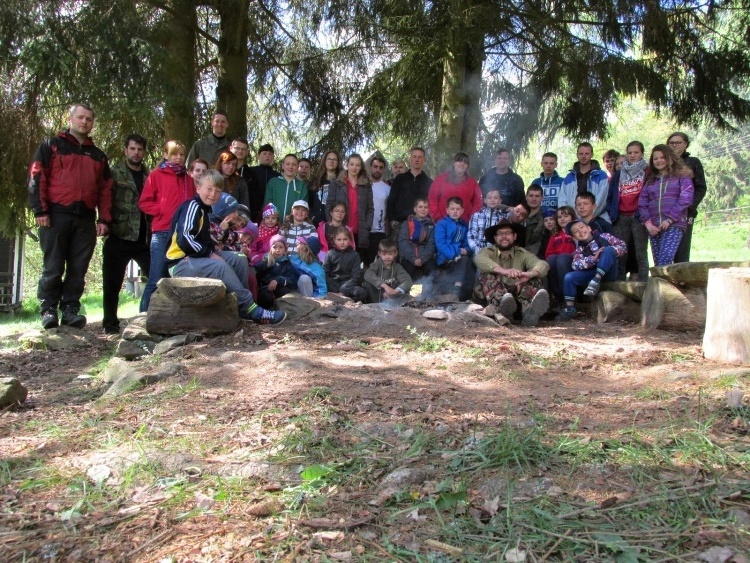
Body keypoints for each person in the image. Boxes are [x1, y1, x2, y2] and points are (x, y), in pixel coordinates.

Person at [28, 103, 113, 329]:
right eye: (80, 117)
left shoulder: (98, 156)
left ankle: (70, 310)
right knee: (53, 267)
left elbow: (105, 189)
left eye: (88, 119)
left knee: (78, 268)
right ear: (70, 119)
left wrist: (104, 219)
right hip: (56, 215)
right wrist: (40, 210)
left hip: (85, 218)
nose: (84, 122)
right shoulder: (52, 145)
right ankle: (48, 310)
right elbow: (37, 176)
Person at [166, 170, 286, 325]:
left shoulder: (205, 210)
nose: (212, 194)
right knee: (220, 266)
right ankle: (252, 309)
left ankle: (242, 310)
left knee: (239, 259)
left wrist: (220, 249)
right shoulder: (192, 207)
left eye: (217, 191)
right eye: (209, 189)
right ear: (198, 188)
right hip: (180, 263)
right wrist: (209, 254)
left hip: (196, 258)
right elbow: (185, 238)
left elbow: (209, 240)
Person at [138, 140, 196, 312]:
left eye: (181, 154)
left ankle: (171, 317)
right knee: (156, 278)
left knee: (179, 279)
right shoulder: (156, 175)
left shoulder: (188, 179)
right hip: (162, 232)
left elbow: (193, 204)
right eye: (174, 154)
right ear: (166, 155)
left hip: (183, 235)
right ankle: (142, 317)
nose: (178, 158)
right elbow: (144, 202)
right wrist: (162, 210)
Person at [102, 134, 151, 334]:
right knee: (112, 283)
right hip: (119, 234)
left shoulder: (150, 176)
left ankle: (153, 319)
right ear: (126, 150)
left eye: (139, 149)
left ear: (143, 152)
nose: (136, 153)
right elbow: (105, 199)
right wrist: (104, 221)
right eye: (132, 149)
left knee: (156, 278)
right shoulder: (115, 172)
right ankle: (110, 324)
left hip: (144, 238)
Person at [473, 220, 550, 326]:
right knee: (486, 274)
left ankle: (529, 313)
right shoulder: (487, 251)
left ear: (514, 236)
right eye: (500, 233)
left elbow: (542, 264)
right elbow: (479, 259)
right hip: (491, 300)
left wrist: (529, 274)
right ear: (495, 238)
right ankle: (501, 310)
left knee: (535, 278)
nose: (504, 236)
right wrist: (504, 271)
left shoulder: (522, 253)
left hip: (515, 297)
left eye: (508, 233)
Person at [556, 219, 627, 321]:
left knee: (608, 250)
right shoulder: (579, 250)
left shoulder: (604, 236)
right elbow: (575, 265)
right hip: (592, 274)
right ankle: (570, 308)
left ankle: (596, 280)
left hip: (609, 272)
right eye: (576, 231)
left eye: (581, 227)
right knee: (569, 277)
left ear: (589, 228)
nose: (580, 231)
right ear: (574, 238)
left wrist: (605, 254)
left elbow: (623, 246)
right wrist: (593, 259)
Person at [639, 144, 694, 267]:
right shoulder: (650, 181)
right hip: (654, 227)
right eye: (655, 158)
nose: (659, 160)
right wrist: (648, 224)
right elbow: (642, 203)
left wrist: (670, 219)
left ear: (670, 158)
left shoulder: (682, 176)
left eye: (662, 157)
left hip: (673, 224)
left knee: (665, 258)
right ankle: (661, 280)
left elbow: (686, 198)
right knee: (658, 263)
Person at [610, 141, 649, 281]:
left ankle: (644, 283)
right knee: (621, 252)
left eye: (636, 152)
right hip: (621, 216)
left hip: (639, 216)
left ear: (642, 154)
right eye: (630, 152)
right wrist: (611, 212)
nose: (632, 155)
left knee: (640, 252)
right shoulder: (619, 174)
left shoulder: (647, 171)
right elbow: (611, 195)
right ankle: (619, 283)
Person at [667, 132, 707, 263]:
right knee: (666, 251)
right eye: (671, 143)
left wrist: (689, 206)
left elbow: (700, 188)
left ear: (685, 144)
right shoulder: (663, 162)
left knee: (682, 249)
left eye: (678, 142)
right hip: (664, 212)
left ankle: (682, 275)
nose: (674, 145)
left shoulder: (693, 162)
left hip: (685, 213)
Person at [327, 153, 374, 259]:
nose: (354, 167)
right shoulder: (336, 183)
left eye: (357, 165)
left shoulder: (366, 185)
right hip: (340, 230)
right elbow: (329, 204)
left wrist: (367, 226)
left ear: (361, 167)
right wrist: (332, 224)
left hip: (359, 230)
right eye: (352, 164)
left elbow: (370, 208)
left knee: (356, 262)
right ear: (347, 165)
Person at [386, 147, 432, 239]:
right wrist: (392, 220)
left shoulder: (429, 182)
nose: (417, 159)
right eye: (414, 156)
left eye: (420, 157)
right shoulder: (400, 179)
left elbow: (431, 204)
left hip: (421, 224)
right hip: (400, 224)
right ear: (410, 159)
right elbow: (391, 201)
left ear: (424, 160)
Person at [434, 197, 474, 300]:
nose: (455, 211)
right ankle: (456, 289)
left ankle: (465, 294)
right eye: (452, 209)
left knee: (467, 261)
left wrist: (467, 250)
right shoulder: (442, 224)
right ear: (447, 210)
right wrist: (454, 255)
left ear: (462, 211)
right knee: (464, 261)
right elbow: (440, 244)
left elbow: (467, 243)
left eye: (458, 209)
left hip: (459, 257)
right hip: (445, 258)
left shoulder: (463, 226)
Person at [559, 142, 610, 222]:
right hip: (574, 221)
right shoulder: (569, 178)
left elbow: (602, 199)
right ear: (577, 155)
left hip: (597, 220)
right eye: (581, 154)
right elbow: (562, 201)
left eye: (587, 153)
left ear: (592, 155)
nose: (583, 156)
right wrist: (571, 218)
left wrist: (588, 218)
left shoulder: (601, 176)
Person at [428, 152, 482, 223]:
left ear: (467, 166)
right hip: (443, 223)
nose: (462, 164)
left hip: (464, 224)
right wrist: (438, 218)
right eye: (459, 161)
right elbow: (432, 199)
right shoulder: (440, 179)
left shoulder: (473, 183)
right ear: (454, 163)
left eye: (465, 162)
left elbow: (478, 202)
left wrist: (471, 219)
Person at [255, 234, 299, 308]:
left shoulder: (286, 262)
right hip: (266, 288)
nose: (277, 250)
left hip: (280, 287)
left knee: (285, 293)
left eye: (281, 247)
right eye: (274, 247)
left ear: (285, 250)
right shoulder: (266, 261)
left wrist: (278, 280)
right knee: (266, 297)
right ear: (270, 249)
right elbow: (257, 274)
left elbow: (292, 279)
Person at [362, 239, 412, 303]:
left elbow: (408, 281)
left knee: (405, 288)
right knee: (367, 284)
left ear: (395, 254)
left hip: (392, 297)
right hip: (376, 296)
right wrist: (384, 286)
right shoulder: (376, 265)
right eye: (384, 254)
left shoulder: (397, 267)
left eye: (390, 254)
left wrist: (395, 291)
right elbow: (368, 274)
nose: (387, 257)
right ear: (379, 254)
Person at [544, 206, 577, 304]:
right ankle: (558, 296)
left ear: (572, 217)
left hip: (573, 260)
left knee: (562, 258)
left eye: (566, 216)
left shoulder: (576, 231)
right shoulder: (554, 235)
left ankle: (567, 294)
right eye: (559, 217)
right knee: (551, 259)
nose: (562, 219)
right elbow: (548, 253)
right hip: (557, 263)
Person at [324, 227, 367, 302]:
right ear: (334, 240)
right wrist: (334, 289)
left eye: (345, 239)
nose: (342, 242)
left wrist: (343, 291)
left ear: (350, 240)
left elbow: (355, 276)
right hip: (333, 285)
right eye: (339, 240)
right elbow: (325, 273)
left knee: (361, 292)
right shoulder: (330, 254)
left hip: (348, 285)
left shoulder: (355, 255)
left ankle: (349, 302)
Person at [398, 198, 436, 282]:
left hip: (425, 257)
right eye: (420, 207)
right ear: (415, 209)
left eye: (425, 207)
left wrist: (422, 259)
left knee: (432, 272)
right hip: (409, 257)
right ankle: (409, 290)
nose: (423, 209)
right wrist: (413, 259)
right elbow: (403, 242)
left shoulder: (431, 225)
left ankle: (429, 290)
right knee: (408, 272)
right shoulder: (406, 223)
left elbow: (431, 244)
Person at [265, 153, 308, 219]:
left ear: (297, 167)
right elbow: (267, 204)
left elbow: (303, 208)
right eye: (288, 164)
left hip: (293, 223)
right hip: (273, 223)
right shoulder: (273, 182)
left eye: (294, 164)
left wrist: (291, 220)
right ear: (283, 166)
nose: (291, 167)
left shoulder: (302, 186)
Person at [368, 155, 391, 266]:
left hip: (379, 232)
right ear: (370, 167)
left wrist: (387, 232)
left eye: (381, 167)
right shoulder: (363, 185)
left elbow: (388, 212)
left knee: (378, 265)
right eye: (375, 166)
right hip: (364, 230)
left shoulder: (387, 189)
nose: (377, 170)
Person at [309, 150, 342, 226]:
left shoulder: (341, 181)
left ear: (338, 162)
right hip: (316, 223)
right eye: (329, 159)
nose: (331, 161)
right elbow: (308, 202)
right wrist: (312, 217)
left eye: (334, 160)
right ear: (324, 161)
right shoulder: (315, 181)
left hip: (335, 223)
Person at [467, 188, 505, 255]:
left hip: (496, 252)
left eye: (495, 198)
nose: (492, 200)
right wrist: (478, 251)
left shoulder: (502, 218)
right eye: (489, 198)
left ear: (500, 201)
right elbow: (471, 236)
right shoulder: (477, 216)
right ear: (485, 200)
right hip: (479, 252)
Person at [250, 143, 281, 221]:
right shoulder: (251, 171)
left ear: (273, 157)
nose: (267, 156)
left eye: (270, 154)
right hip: (252, 211)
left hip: (271, 214)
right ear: (258, 156)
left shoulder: (278, 176)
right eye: (264, 153)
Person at [230, 138, 259, 217]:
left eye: (243, 149)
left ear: (247, 152)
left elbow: (254, 199)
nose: (240, 151)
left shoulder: (252, 174)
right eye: (237, 148)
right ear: (231, 148)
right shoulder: (226, 170)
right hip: (224, 215)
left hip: (245, 216)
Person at [523, 185, 546, 256]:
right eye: (531, 196)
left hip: (535, 255)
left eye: (537, 196)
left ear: (542, 198)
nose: (534, 199)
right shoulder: (518, 214)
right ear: (526, 197)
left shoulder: (545, 218)